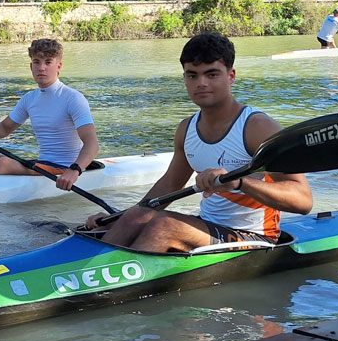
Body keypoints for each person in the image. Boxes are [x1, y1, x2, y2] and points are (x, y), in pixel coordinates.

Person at [85, 32, 313, 253]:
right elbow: (168, 186)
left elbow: (302, 201)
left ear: (231, 76)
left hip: (255, 236)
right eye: (192, 75)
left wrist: (240, 182)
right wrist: (118, 220)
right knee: (137, 215)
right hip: (208, 227)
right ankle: (88, 271)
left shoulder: (258, 128)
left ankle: (106, 283)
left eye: (212, 74)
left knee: (164, 225)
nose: (201, 83)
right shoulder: (186, 129)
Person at [0, 38, 99, 192]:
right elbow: (3, 128)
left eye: (48, 62)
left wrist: (74, 171)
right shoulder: (29, 99)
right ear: (31, 66)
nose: (41, 68)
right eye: (37, 62)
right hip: (42, 164)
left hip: (65, 168)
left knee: (4, 163)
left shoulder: (73, 98)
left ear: (59, 66)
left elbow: (92, 144)